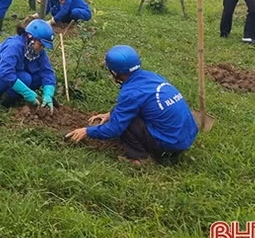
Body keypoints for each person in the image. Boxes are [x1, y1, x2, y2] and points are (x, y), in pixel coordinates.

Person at [66, 45, 198, 164]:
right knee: (128, 114)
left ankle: (140, 159)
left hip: (170, 145)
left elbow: (114, 129)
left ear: (114, 72)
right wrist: (110, 114)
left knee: (127, 123)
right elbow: (141, 103)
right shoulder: (152, 77)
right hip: (186, 137)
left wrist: (87, 131)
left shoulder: (131, 92)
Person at [0, 19, 56, 110]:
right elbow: (4, 72)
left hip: (9, 76)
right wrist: (26, 92)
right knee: (25, 78)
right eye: (40, 45)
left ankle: (17, 94)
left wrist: (48, 94)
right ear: (30, 38)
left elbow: (47, 72)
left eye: (43, 46)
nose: (42, 48)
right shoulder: (14, 46)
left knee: (38, 78)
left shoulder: (37, 51)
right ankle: (5, 102)